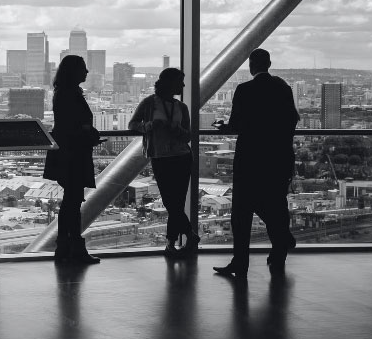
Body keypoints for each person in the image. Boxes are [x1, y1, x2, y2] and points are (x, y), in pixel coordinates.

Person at [213, 48, 300, 278]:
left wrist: (224, 128)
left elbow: (237, 125)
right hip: (278, 158)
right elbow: (292, 120)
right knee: (275, 203)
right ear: (269, 63)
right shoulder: (283, 89)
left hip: (250, 159)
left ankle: (240, 263)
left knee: (242, 212)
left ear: (251, 66)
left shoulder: (245, 90)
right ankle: (280, 247)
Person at [129, 67, 198, 257]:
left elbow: (187, 136)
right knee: (171, 202)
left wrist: (174, 129)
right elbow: (133, 125)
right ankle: (188, 236)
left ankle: (171, 243)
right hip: (162, 157)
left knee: (175, 202)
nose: (183, 85)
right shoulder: (149, 104)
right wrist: (150, 126)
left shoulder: (181, 107)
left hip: (181, 156)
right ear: (170, 83)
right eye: (180, 81)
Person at [43, 55, 103, 264]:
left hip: (67, 153)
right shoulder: (71, 94)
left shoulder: (63, 93)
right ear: (74, 72)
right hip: (74, 154)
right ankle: (73, 247)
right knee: (72, 202)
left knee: (71, 202)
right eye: (84, 68)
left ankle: (66, 247)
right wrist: (89, 133)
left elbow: (66, 125)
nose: (87, 72)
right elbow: (74, 125)